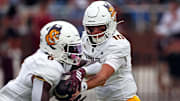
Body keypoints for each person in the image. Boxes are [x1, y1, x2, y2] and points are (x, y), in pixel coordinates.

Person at [66, 1, 141, 101]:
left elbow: (102, 77)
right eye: (91, 28)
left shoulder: (119, 44)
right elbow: (85, 66)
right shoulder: (85, 37)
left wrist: (80, 86)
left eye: (101, 28)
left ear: (111, 24)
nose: (96, 33)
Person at [0, 20, 83, 101]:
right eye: (72, 48)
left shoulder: (55, 59)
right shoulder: (46, 65)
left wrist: (81, 73)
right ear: (56, 46)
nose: (75, 53)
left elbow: (93, 64)